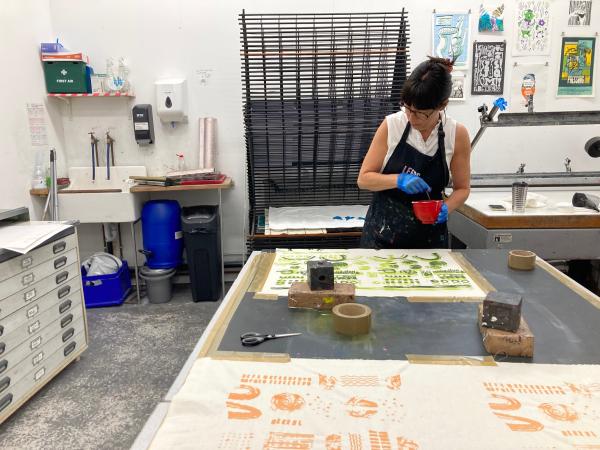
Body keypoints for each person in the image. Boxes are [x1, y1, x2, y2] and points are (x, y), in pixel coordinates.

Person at [357, 56, 471, 249]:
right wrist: (398, 180)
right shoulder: (392, 125)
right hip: (383, 236)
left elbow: (462, 189)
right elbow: (364, 179)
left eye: (420, 113)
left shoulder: (456, 134)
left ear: (442, 105)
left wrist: (447, 207)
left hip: (430, 238)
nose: (411, 117)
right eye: (408, 108)